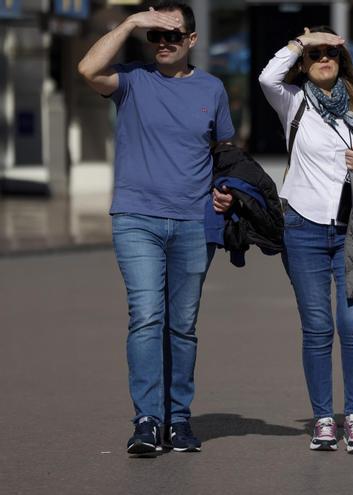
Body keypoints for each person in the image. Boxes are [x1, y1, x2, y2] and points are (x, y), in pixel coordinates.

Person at [77, 0, 234, 455]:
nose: (163, 43)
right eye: (155, 35)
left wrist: (225, 191)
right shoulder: (130, 80)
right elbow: (87, 68)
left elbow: (223, 151)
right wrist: (129, 22)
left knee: (182, 325)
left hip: (193, 221)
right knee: (147, 316)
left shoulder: (212, 88)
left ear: (192, 39)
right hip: (136, 218)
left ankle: (178, 419)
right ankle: (147, 419)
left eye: (172, 35)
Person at [253, 26, 353, 454]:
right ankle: (325, 419)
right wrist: (297, 43)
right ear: (305, 64)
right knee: (317, 327)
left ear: (340, 60)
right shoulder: (293, 101)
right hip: (304, 226)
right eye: (316, 54)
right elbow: (267, 78)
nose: (323, 58)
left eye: (329, 53)